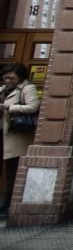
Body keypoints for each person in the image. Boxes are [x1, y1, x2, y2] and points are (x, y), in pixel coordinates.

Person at [0, 63, 40, 218]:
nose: (8, 80)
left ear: (20, 76)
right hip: (1, 134)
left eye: (11, 77)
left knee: (12, 171)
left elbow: (33, 107)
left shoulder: (27, 88)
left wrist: (9, 108)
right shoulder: (4, 88)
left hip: (14, 135)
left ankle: (8, 204)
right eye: (5, 77)